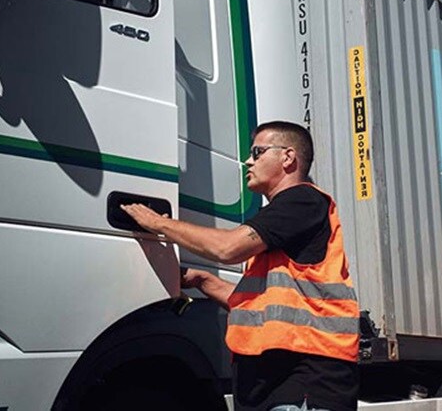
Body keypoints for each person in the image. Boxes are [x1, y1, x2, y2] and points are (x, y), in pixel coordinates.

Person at [121, 121, 360, 411]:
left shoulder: (303, 200)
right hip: (274, 386)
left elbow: (227, 247)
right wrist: (203, 281)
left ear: (287, 157)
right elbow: (258, 305)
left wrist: (158, 223)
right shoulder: (281, 223)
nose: (248, 161)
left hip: (303, 381)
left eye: (257, 152)